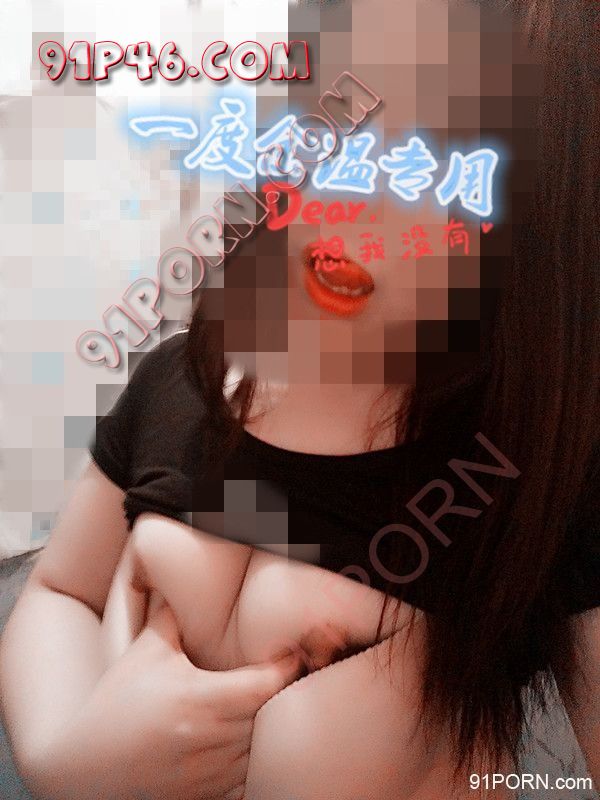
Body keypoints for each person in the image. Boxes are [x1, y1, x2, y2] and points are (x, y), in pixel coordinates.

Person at [1, 0, 599, 797]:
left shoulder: (533, 468)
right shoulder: (181, 378)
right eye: (344, 110)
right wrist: (61, 759)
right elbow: (61, 588)